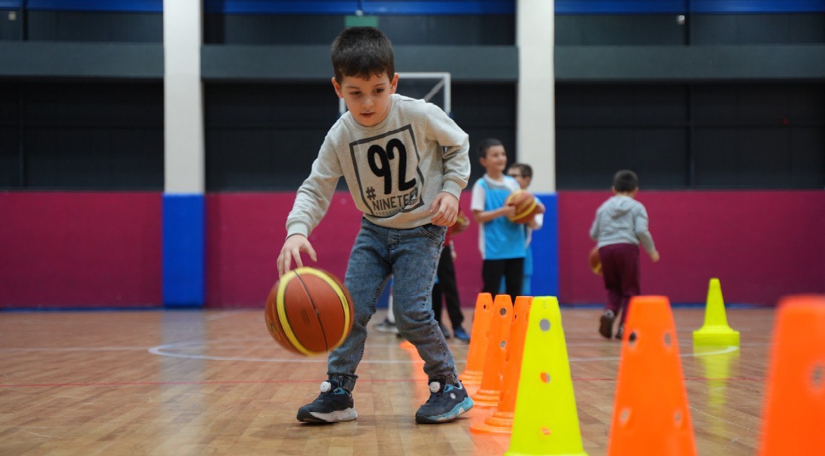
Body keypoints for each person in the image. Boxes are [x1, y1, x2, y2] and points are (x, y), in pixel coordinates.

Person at [277, 27, 473, 425]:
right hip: (374, 230)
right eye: (355, 93)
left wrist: (452, 190)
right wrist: (297, 229)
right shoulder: (340, 136)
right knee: (350, 311)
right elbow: (315, 188)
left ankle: (448, 385)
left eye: (378, 90)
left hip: (423, 229)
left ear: (393, 83)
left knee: (411, 313)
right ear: (338, 88)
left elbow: (459, 145)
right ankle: (338, 393)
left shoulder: (418, 113)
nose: (368, 102)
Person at [589, 170, 660, 340]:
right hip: (627, 249)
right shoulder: (637, 207)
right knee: (631, 290)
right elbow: (642, 230)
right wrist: (651, 250)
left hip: (605, 249)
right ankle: (625, 327)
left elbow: (594, 234)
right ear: (635, 190)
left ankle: (609, 312)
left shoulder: (604, 207)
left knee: (613, 287)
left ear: (613, 189)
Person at [470, 139, 533, 302]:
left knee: (515, 292)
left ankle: (512, 327)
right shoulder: (481, 185)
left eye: (503, 154)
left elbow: (521, 211)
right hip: (493, 248)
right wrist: (503, 211)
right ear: (484, 161)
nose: (501, 158)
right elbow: (478, 216)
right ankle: (484, 326)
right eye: (495, 155)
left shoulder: (512, 183)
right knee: (490, 292)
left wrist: (532, 211)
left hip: (516, 246)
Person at [502, 163, 544, 295]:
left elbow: (536, 225)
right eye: (508, 176)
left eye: (514, 176)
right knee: (500, 298)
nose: (509, 179)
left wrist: (529, 212)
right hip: (500, 250)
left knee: (522, 296)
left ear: (527, 180)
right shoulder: (502, 198)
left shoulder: (534, 202)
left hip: (522, 251)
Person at [432, 209, 471, 342]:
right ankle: (436, 324)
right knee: (432, 287)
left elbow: (450, 226)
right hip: (424, 245)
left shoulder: (452, 193)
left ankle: (457, 326)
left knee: (450, 287)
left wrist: (452, 246)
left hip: (444, 246)